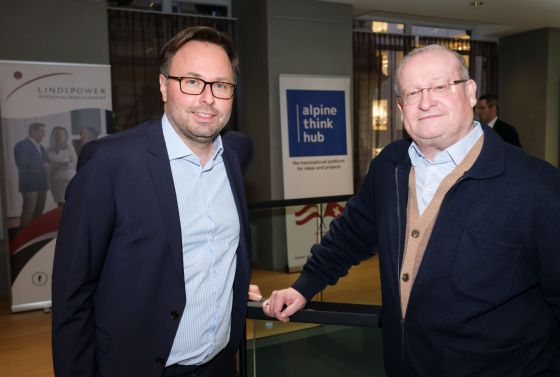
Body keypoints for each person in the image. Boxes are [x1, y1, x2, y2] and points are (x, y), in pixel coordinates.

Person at [264, 45, 560, 376]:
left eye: (439, 87)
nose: (425, 101)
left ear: (471, 91)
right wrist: (305, 285)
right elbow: (351, 234)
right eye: (413, 92)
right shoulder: (390, 165)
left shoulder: (539, 187)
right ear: (401, 108)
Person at [52, 26, 262, 377]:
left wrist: (229, 286)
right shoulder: (110, 164)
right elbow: (73, 294)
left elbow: (208, 252)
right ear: (164, 85)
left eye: (221, 85)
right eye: (192, 82)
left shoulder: (237, 152)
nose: (208, 98)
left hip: (221, 365)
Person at [13, 122, 49, 227]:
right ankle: (23, 238)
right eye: (41, 132)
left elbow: (46, 162)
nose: (43, 134)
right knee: (28, 212)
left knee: (39, 211)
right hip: (29, 185)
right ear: (33, 131)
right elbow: (21, 164)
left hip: (42, 184)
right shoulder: (21, 145)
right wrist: (42, 166)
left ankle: (34, 236)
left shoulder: (41, 147)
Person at [47, 127, 77, 207]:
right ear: (54, 135)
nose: (61, 136)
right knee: (59, 204)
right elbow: (47, 164)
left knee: (67, 203)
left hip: (66, 180)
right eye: (58, 134)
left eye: (63, 134)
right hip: (55, 180)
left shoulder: (69, 148)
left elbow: (75, 163)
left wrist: (60, 165)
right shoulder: (49, 149)